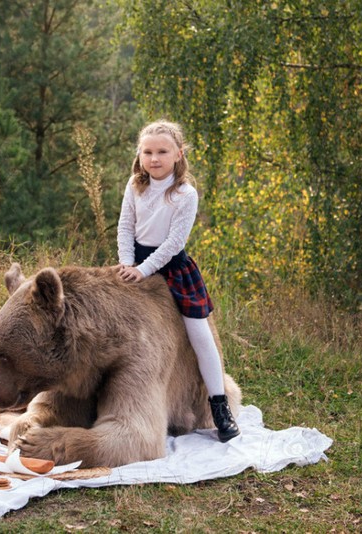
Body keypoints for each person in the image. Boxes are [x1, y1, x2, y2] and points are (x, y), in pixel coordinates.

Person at [116, 119, 240, 442]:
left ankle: (219, 405)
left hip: (171, 267)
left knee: (199, 333)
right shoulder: (134, 185)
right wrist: (128, 263)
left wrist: (144, 270)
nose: (154, 159)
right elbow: (125, 227)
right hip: (134, 264)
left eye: (162, 151)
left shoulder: (186, 194)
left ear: (178, 154)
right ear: (140, 154)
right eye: (147, 152)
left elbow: (173, 243)